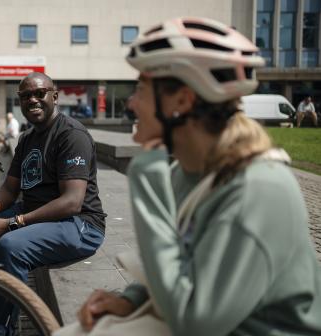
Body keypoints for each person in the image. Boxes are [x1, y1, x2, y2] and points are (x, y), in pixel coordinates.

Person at [56, 17, 321, 335]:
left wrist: (146, 175)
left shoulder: (258, 190)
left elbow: (196, 323)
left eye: (141, 88)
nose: (131, 103)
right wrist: (132, 298)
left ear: (181, 100)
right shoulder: (189, 172)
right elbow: (182, 260)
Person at [0, 72, 107, 335]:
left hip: (80, 224)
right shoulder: (27, 138)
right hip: (34, 212)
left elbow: (72, 202)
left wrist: (13, 223)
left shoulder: (72, 135)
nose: (33, 100)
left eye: (40, 93)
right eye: (26, 96)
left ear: (55, 96)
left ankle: (2, 330)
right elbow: (10, 189)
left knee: (11, 245)